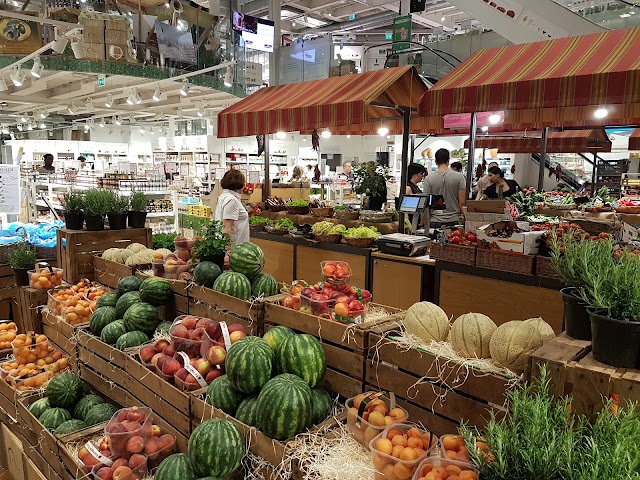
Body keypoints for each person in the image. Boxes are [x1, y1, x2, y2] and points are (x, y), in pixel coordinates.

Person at [422, 148, 467, 229]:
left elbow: (425, 203)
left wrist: (423, 223)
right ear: (448, 160)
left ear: (436, 161)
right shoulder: (459, 177)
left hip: (435, 220)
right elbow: (462, 202)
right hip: (454, 220)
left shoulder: (428, 179)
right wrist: (465, 219)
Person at [214, 169, 249, 252]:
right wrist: (228, 250)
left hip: (233, 246)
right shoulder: (232, 200)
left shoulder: (225, 196)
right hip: (235, 248)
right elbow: (227, 227)